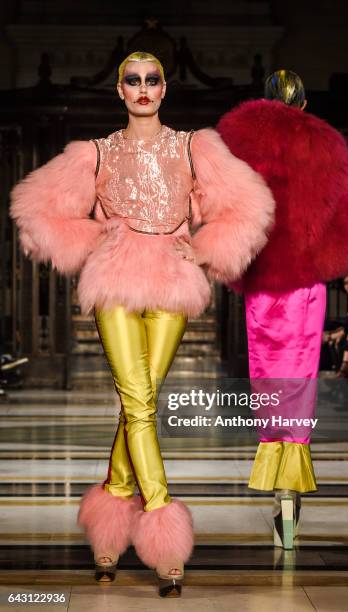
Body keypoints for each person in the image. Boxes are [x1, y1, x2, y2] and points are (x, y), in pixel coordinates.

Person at [9, 51, 274, 596]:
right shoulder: (96, 154)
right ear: (120, 92)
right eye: (133, 80)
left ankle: (109, 522)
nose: (144, 88)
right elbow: (34, 212)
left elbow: (250, 209)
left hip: (174, 282)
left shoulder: (194, 147)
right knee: (139, 401)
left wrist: (204, 252)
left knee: (141, 400)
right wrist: (90, 239)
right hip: (115, 283)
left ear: (165, 89)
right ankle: (161, 525)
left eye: (153, 80)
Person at [217, 69, 348, 549]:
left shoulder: (239, 149)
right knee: (298, 391)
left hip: (265, 287)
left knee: (270, 388)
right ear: (305, 105)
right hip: (305, 289)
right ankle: (290, 502)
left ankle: (279, 492)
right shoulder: (325, 149)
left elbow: (226, 222)